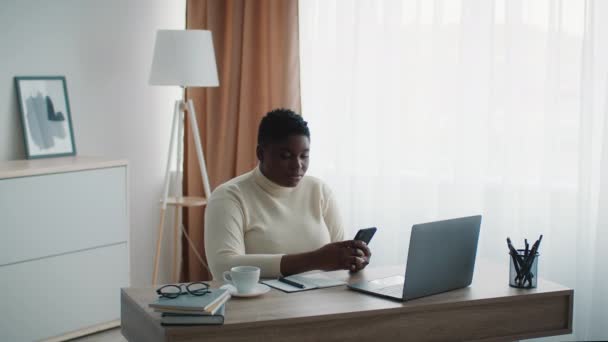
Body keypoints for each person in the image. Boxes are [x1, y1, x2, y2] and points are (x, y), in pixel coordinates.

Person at [204, 108, 371, 280]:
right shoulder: (229, 197)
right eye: (286, 156)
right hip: (263, 304)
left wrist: (352, 259)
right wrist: (314, 260)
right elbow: (223, 266)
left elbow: (338, 258)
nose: (297, 165)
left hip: (323, 301)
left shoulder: (319, 190)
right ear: (261, 154)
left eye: (304, 156)